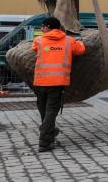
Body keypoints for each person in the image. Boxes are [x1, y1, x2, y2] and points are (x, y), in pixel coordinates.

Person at [31, 16, 85, 153]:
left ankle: (46, 138)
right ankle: (47, 136)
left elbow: (34, 49)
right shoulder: (69, 41)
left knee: (44, 109)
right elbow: (81, 50)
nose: (41, 29)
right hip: (57, 82)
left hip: (40, 82)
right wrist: (80, 40)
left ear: (48, 27)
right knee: (50, 110)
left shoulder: (38, 41)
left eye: (43, 27)